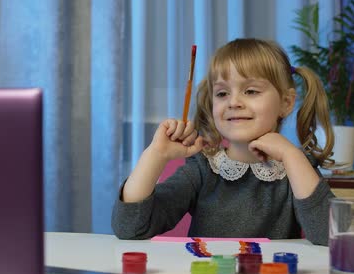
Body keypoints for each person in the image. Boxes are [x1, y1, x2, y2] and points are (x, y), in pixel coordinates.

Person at [112, 38, 335, 245]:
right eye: (221, 94)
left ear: (286, 103)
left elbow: (329, 236)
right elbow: (130, 228)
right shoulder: (202, 169)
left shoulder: (297, 167)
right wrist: (155, 155)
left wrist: (292, 156)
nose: (233, 102)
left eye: (250, 91)